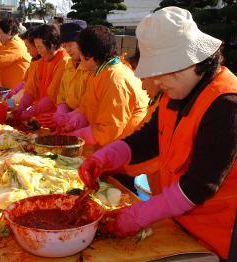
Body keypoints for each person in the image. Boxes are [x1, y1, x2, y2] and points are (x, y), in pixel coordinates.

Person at [78, 7, 237, 260]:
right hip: (178, 223)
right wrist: (107, 156)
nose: (157, 81)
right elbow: (149, 139)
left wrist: (138, 216)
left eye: (163, 72)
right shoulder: (178, 91)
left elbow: (199, 185)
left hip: (217, 236)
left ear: (193, 62)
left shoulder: (226, 104)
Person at [59, 26, 149, 145]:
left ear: (90, 56)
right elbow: (87, 107)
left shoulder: (115, 80)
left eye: (81, 54)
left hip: (125, 150)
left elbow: (108, 131)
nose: (79, 59)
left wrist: (73, 137)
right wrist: (73, 122)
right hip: (107, 144)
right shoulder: (99, 72)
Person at [38, 20, 93, 128]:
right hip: (69, 122)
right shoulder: (68, 64)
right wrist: (61, 112)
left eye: (71, 45)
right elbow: (62, 95)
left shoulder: (91, 68)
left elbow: (89, 105)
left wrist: (66, 119)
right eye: (65, 46)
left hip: (86, 125)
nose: (68, 50)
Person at [15, 24, 68, 121]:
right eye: (36, 47)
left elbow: (52, 98)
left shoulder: (63, 62)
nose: (38, 52)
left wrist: (30, 112)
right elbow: (31, 90)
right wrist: (20, 109)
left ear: (51, 45)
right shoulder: (41, 62)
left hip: (55, 118)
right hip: (41, 115)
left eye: (40, 47)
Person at [5, 26, 41, 102]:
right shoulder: (33, 61)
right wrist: (14, 91)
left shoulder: (42, 63)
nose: (27, 51)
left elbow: (32, 90)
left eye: (29, 48)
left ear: (37, 45)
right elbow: (25, 81)